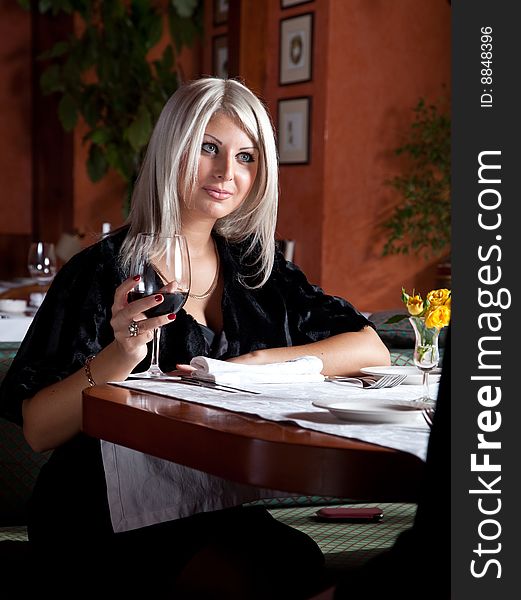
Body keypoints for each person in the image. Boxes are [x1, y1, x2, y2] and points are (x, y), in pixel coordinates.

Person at [0, 77, 389, 597]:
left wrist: (257, 362)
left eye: (247, 157)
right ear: (173, 149)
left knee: (295, 560)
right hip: (102, 509)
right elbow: (38, 430)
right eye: (209, 149)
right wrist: (124, 353)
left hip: (206, 502)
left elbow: (370, 345)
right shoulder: (100, 272)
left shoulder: (258, 269)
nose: (227, 173)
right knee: (259, 577)